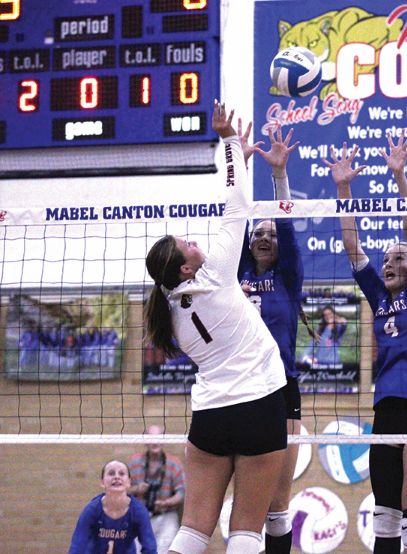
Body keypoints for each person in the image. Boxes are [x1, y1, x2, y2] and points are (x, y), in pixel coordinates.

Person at [144, 101, 287, 554]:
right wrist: (229, 143)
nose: (194, 241)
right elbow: (236, 203)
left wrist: (235, 155)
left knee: (192, 531)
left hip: (209, 416)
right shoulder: (217, 274)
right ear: (186, 269)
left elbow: (230, 203)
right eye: (186, 244)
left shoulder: (169, 312)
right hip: (259, 405)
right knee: (245, 531)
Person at [322, 135, 407, 554]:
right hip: (387, 406)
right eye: (386, 259)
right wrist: (343, 188)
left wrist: (399, 177)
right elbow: (352, 247)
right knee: (385, 517)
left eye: (398, 258)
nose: (389, 263)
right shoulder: (379, 298)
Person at [236, 124, 304, 553]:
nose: (264, 237)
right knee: (246, 505)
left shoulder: (288, 276)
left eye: (270, 234)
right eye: (258, 233)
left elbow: (287, 225)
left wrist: (278, 174)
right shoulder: (236, 274)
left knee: (278, 506)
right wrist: (239, 164)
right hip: (239, 386)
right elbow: (234, 219)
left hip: (281, 388)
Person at [68, 459, 157, 554]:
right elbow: (77, 546)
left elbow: (150, 549)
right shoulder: (92, 509)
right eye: (111, 473)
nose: (116, 477)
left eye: (121, 473)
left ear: (129, 482)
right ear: (102, 482)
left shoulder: (138, 511)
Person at [129, 425, 185, 554]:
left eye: (158, 438)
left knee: (166, 549)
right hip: (140, 516)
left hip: (166, 515)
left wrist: (166, 502)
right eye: (151, 438)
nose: (155, 442)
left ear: (164, 440)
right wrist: (137, 489)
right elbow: (124, 490)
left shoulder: (174, 463)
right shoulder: (134, 462)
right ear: (145, 441)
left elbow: (181, 493)